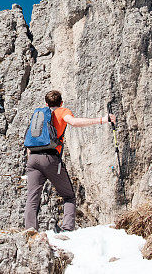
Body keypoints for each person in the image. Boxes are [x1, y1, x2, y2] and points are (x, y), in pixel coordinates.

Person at [23, 89, 116, 232]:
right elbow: (74, 122)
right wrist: (102, 120)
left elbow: (30, 138)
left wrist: (31, 159)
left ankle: (30, 230)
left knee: (32, 197)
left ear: (46, 103)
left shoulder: (39, 114)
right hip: (50, 158)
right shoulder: (62, 112)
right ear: (61, 102)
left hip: (33, 158)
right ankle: (67, 228)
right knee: (68, 196)